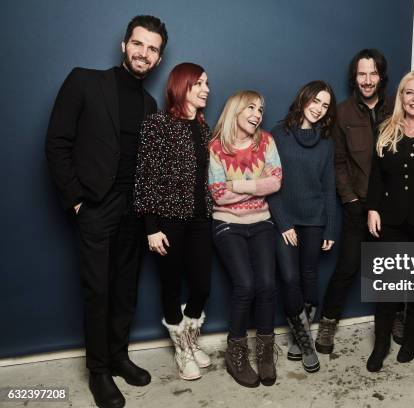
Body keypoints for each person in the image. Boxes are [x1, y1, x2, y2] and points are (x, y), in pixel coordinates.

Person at [45, 15, 167, 408]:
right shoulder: (84, 81)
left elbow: (149, 168)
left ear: (159, 57)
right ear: (124, 45)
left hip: (135, 209)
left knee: (125, 290)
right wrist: (77, 200)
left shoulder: (150, 105)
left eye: (152, 48)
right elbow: (57, 142)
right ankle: (98, 371)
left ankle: (118, 357)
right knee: (98, 291)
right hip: (96, 205)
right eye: (138, 44)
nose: (143, 53)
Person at [134, 62, 213, 381]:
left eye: (208, 83)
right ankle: (182, 351)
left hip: (200, 219)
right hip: (168, 221)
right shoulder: (158, 124)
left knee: (202, 285)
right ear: (183, 86)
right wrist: (151, 228)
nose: (206, 89)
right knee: (171, 285)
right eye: (200, 83)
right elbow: (145, 176)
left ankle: (191, 341)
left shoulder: (204, 129)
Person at [315, 49, 393, 354]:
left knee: (392, 267)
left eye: (373, 73)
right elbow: (338, 161)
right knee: (347, 267)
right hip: (357, 204)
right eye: (362, 74)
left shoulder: (396, 109)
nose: (368, 80)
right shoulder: (343, 112)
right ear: (354, 77)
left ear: (381, 76)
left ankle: (393, 318)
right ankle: (328, 322)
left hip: (391, 204)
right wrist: (349, 199)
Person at [365, 70, 414, 372]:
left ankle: (410, 340)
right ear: (401, 97)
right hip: (391, 219)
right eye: (409, 92)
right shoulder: (386, 128)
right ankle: (381, 345)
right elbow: (375, 175)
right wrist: (372, 208)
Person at [208, 90, 283, 388]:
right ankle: (236, 354)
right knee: (246, 285)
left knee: (267, 284)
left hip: (261, 222)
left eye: (261, 110)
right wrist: (256, 184)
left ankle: (265, 353)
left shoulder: (267, 142)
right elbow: (218, 194)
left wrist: (236, 183)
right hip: (227, 224)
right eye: (250, 108)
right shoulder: (216, 146)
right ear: (235, 111)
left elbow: (275, 182)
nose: (257, 114)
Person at [268, 81, 338, 373]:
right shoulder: (278, 135)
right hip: (285, 218)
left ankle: (300, 336)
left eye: (325, 105)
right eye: (316, 101)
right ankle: (306, 340)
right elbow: (271, 184)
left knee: (310, 275)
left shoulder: (326, 143)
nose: (319, 108)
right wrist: (283, 222)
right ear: (304, 98)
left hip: (315, 218)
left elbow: (328, 187)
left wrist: (331, 229)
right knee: (288, 277)